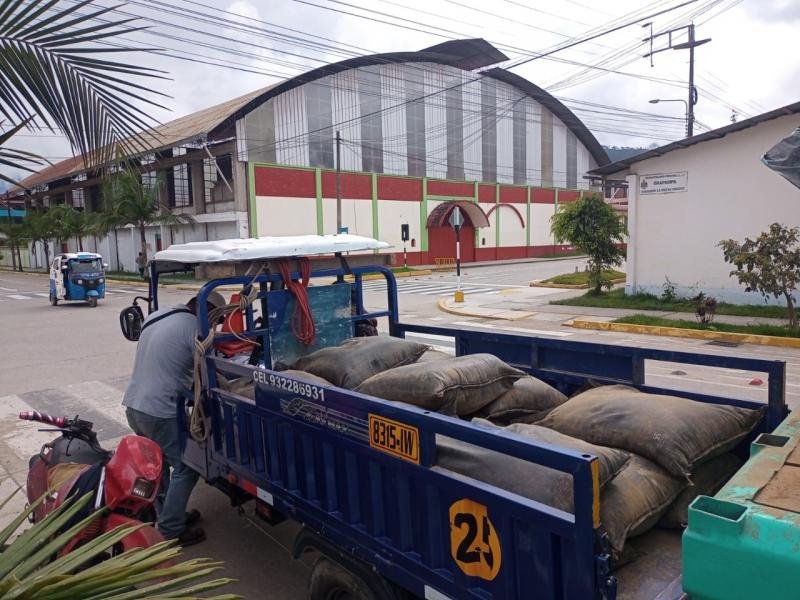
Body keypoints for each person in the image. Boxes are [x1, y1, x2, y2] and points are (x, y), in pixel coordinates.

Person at [122, 291, 226, 546]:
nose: (216, 325)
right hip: (159, 412)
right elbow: (212, 369)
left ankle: (169, 513)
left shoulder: (159, 315)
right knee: (187, 467)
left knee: (158, 467)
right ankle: (170, 529)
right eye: (217, 319)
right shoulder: (195, 329)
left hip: (135, 407)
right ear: (207, 310)